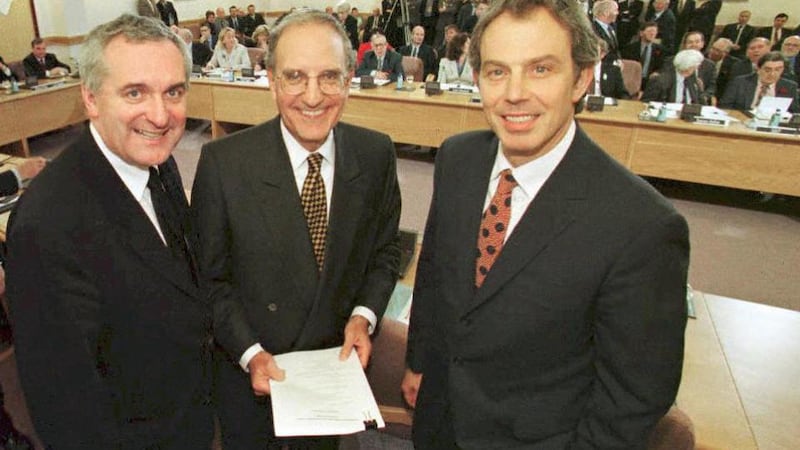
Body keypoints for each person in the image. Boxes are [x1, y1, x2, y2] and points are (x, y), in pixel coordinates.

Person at [401, 1, 690, 448]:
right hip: (438, 423)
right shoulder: (458, 158)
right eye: (497, 72)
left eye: (540, 69)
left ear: (581, 78)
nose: (514, 93)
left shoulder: (643, 226)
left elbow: (632, 399)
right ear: (476, 78)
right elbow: (436, 273)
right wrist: (420, 362)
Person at [191, 8, 401, 450]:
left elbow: (384, 254)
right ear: (271, 80)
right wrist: (250, 354)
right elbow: (211, 282)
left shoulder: (376, 153)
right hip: (251, 378)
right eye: (294, 77)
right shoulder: (223, 164)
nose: (312, 96)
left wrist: (364, 317)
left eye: (329, 77)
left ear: (348, 81)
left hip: (333, 382)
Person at [6, 13, 212, 449]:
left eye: (173, 91)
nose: (160, 115)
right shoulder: (46, 226)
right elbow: (68, 408)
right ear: (92, 99)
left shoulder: (157, 160)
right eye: (135, 92)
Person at [720, 51, 798, 113]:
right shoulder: (739, 82)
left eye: (777, 70)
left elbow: (794, 112)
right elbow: (724, 106)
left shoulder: (790, 87)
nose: (772, 74)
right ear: (758, 69)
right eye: (767, 70)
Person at [621, 21, 666, 89]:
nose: (652, 34)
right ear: (641, 33)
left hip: (650, 83)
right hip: (632, 81)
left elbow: (662, 66)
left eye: (654, 31)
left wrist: (657, 73)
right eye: (650, 31)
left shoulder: (660, 50)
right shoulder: (630, 48)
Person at [679, 30, 716, 104]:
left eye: (697, 42)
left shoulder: (710, 65)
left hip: (699, 101)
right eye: (690, 42)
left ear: (702, 44)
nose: (693, 45)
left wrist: (704, 95)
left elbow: (712, 87)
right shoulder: (673, 61)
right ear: (685, 45)